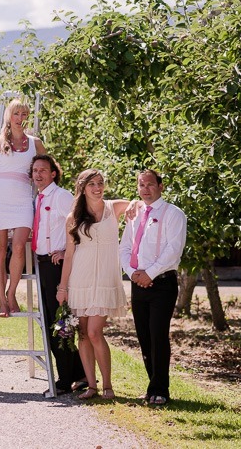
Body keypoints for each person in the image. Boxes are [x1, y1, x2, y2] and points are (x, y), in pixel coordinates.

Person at [56, 169, 130, 400]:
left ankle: (108, 385)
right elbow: (69, 255)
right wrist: (62, 287)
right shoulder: (73, 217)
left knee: (95, 332)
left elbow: (142, 205)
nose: (97, 188)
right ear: (82, 188)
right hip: (81, 278)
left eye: (100, 183)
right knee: (83, 335)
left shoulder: (114, 207)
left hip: (106, 278)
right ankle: (92, 386)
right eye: (92, 184)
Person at [119, 169, 187, 406]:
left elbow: (173, 250)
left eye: (149, 184)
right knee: (144, 337)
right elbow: (125, 247)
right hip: (138, 283)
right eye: (141, 185)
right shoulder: (135, 214)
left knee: (158, 336)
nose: (145, 189)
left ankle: (161, 390)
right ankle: (152, 386)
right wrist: (132, 273)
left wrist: (150, 273)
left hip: (162, 283)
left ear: (161, 186)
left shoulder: (173, 214)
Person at [0, 97, 47, 317]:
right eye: (16, 114)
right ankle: (1, 301)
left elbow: (46, 170)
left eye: (24, 114)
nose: (20, 118)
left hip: (22, 199)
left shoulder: (35, 143)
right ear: (9, 115)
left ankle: (12, 293)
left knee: (19, 247)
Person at [29, 155, 86, 396]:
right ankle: (77, 374)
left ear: (54, 173)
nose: (38, 174)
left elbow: (79, 225)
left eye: (43, 170)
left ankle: (67, 379)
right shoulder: (37, 199)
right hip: (41, 265)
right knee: (49, 321)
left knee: (59, 323)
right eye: (35, 170)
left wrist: (65, 249)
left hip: (57, 266)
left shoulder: (61, 197)